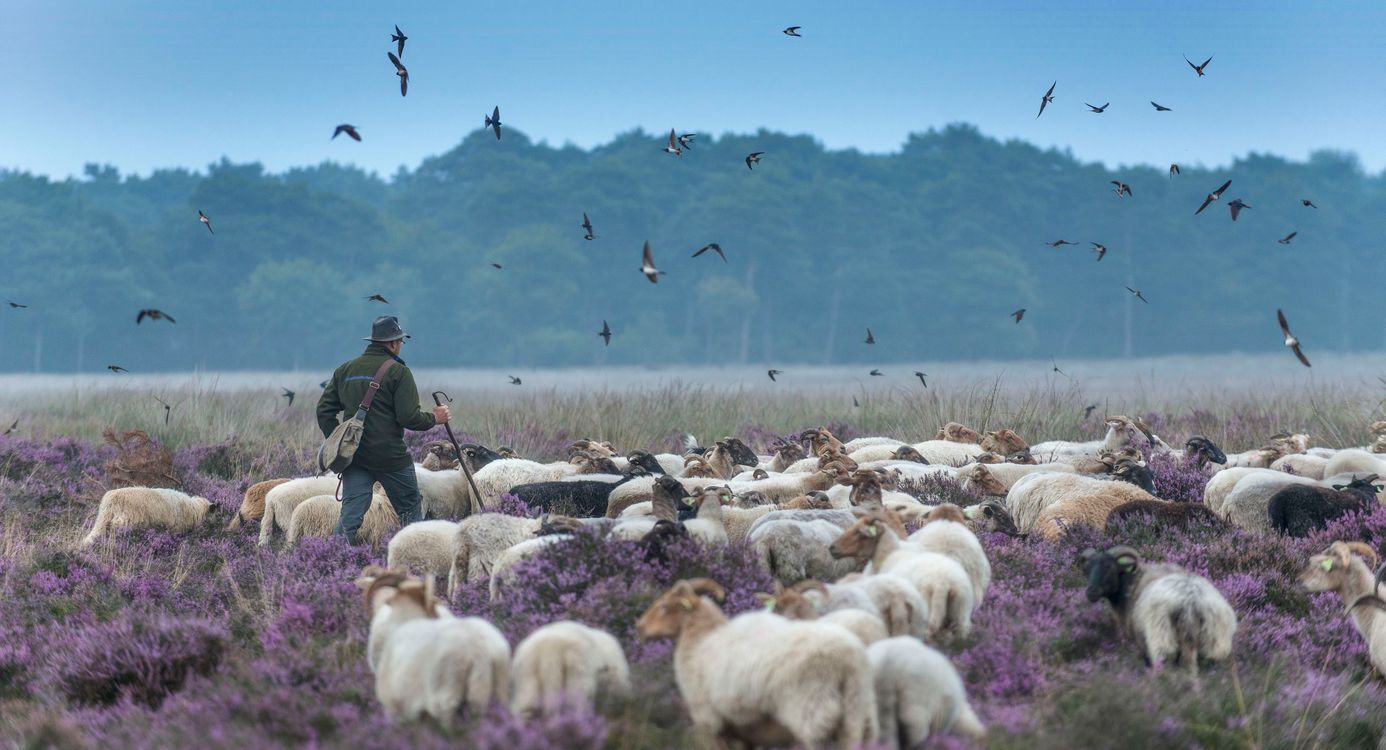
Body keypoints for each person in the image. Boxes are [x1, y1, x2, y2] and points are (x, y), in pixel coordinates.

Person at [316, 315, 449, 543]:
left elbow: (323, 412)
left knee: (350, 517)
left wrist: (340, 442)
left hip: (354, 457)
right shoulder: (399, 372)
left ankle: (328, 559)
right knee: (410, 512)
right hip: (391, 458)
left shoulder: (345, 370)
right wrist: (434, 418)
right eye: (400, 342)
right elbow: (409, 417)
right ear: (393, 343)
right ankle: (415, 558)